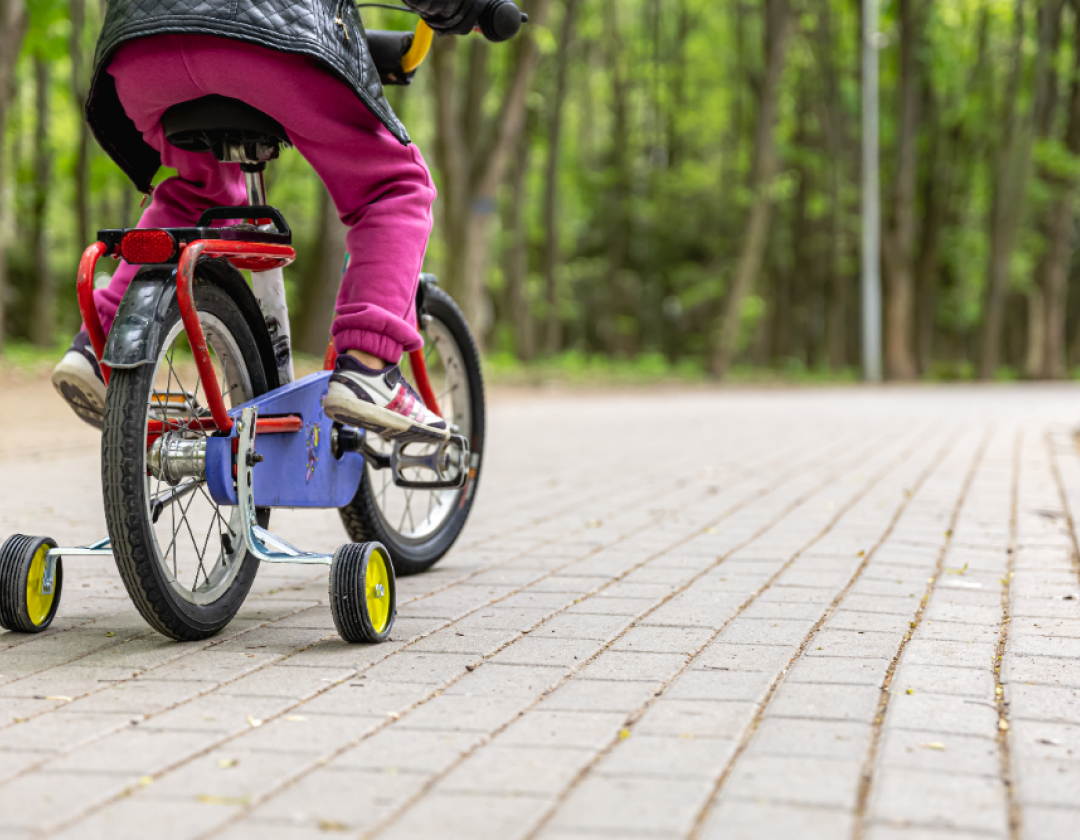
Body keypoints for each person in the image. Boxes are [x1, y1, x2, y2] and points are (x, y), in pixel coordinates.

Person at [52, 0, 493, 443]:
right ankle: (368, 366)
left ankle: (103, 342)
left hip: (140, 51)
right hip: (263, 41)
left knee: (203, 188)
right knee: (395, 186)